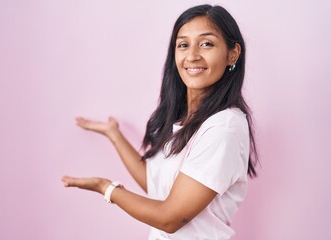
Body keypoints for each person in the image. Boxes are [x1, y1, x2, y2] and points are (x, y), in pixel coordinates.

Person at [62, 4, 258, 240]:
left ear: (232, 54)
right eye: (183, 45)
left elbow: (170, 217)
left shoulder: (223, 127)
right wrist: (114, 135)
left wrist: (106, 188)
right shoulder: (185, 120)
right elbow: (155, 186)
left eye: (206, 43)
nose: (192, 55)